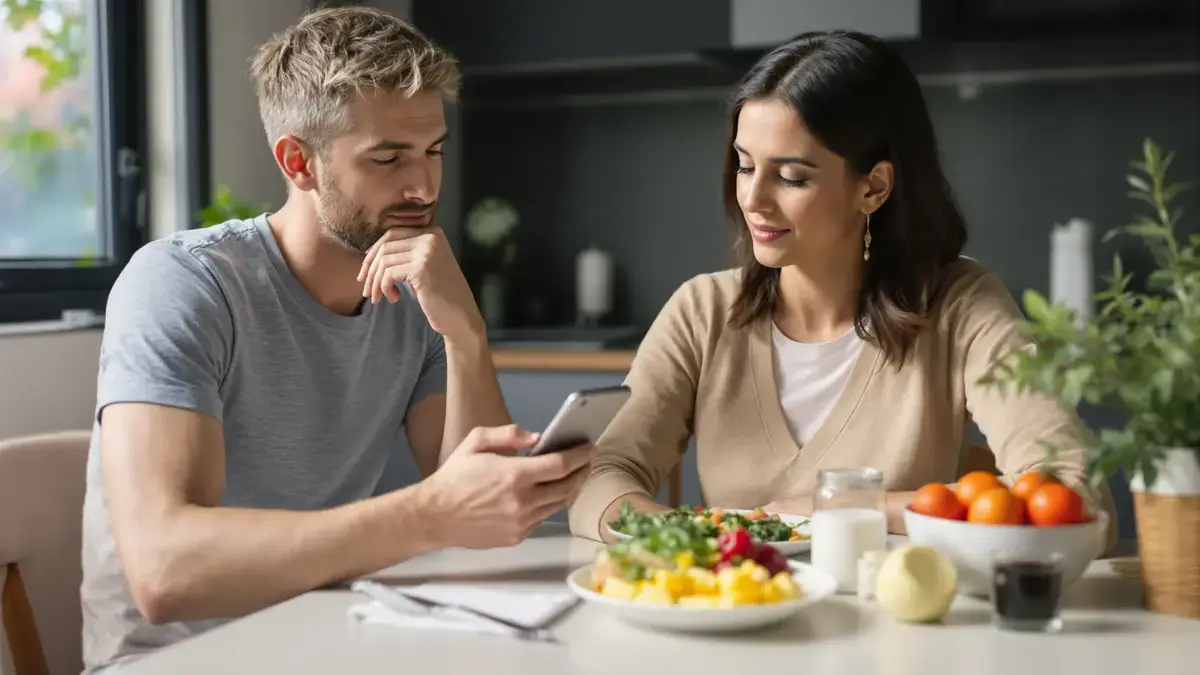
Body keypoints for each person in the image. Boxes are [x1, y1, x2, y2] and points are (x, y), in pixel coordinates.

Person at [81, 8, 594, 673]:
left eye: (433, 151)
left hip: (327, 636)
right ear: (299, 161)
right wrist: (428, 514)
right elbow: (164, 569)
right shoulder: (184, 283)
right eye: (388, 158)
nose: (424, 187)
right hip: (177, 658)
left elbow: (488, 523)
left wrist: (465, 333)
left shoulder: (417, 291)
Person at [567, 31, 1116, 546]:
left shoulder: (960, 304)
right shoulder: (702, 311)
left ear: (873, 187)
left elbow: (1074, 495)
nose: (752, 199)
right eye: (744, 165)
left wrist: (853, 508)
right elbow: (601, 478)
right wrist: (702, 538)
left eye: (791, 177)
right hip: (736, 627)